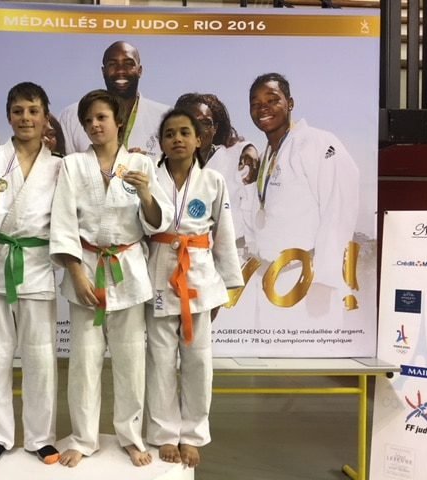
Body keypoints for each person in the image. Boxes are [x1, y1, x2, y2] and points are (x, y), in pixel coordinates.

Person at [50, 89, 173, 468]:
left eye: (101, 117)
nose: (94, 125)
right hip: (86, 268)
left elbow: (158, 221)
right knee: (84, 362)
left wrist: (146, 193)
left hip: (128, 270)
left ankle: (131, 437)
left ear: (118, 121)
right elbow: (63, 221)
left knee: (131, 361)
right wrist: (75, 273)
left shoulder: (140, 164)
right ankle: (83, 438)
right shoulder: (73, 165)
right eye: (88, 120)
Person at [0, 82, 62, 468]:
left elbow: (67, 219)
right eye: (18, 111)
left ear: (45, 117)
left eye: (33, 111)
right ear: (8, 115)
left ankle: (41, 438)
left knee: (40, 358)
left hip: (37, 267)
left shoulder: (59, 166)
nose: (26, 118)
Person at [146, 108, 243, 469]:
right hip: (159, 273)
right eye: (169, 134)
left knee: (198, 361)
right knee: (159, 361)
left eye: (185, 132)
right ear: (161, 142)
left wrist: (226, 286)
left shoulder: (213, 180)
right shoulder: (149, 177)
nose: (177, 139)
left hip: (199, 276)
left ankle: (192, 434)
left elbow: (225, 234)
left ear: (199, 140)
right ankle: (164, 432)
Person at [248, 72, 359, 324]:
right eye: (255, 103)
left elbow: (338, 208)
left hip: (307, 281)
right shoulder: (268, 153)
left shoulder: (319, 142)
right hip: (270, 280)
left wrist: (324, 280)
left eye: (272, 100)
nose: (263, 108)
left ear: (290, 103)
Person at [175, 93, 259, 257]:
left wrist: (249, 148)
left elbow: (252, 211)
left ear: (215, 128)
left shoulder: (235, 158)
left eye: (205, 123)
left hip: (231, 257)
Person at [59, 41, 169, 158]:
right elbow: (63, 165)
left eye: (128, 64)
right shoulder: (71, 116)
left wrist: (144, 165)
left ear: (139, 70)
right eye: (112, 64)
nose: (120, 70)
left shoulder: (164, 116)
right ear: (103, 71)